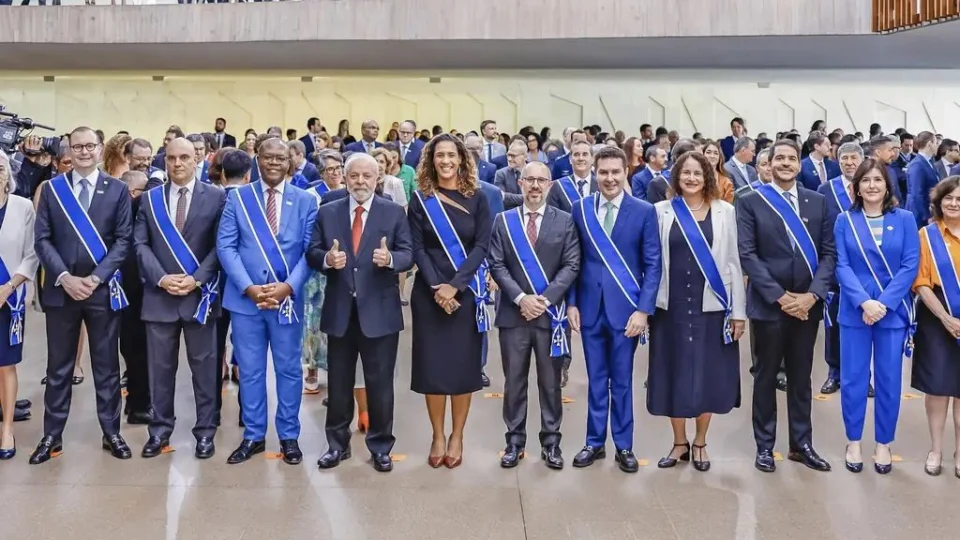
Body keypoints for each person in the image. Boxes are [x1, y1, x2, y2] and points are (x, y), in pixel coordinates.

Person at [30, 126, 133, 464]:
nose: (85, 152)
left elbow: (123, 240)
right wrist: (65, 277)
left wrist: (95, 278)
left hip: (100, 291)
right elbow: (42, 239)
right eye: (78, 147)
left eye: (90, 146)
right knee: (59, 367)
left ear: (101, 149)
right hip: (62, 292)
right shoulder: (52, 190)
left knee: (106, 366)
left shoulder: (117, 189)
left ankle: (111, 432)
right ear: (69, 151)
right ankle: (52, 435)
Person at [737, 138, 836, 474]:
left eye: (791, 158)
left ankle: (801, 444)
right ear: (768, 163)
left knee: (801, 377)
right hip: (769, 306)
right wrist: (781, 297)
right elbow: (747, 254)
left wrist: (812, 295)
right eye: (779, 158)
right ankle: (765, 446)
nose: (785, 163)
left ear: (799, 163)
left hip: (807, 306)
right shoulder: (750, 200)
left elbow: (829, 253)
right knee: (765, 377)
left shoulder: (817, 201)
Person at [216, 138, 318, 465]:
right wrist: (248, 287)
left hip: (287, 301)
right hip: (246, 301)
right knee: (250, 370)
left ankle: (289, 435)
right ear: (256, 159)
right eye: (268, 157)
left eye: (280, 158)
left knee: (288, 370)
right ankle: (253, 435)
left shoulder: (306, 200)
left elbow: (309, 251)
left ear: (290, 162)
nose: (274, 162)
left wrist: (289, 287)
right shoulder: (238, 198)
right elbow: (226, 246)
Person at [310, 153, 414, 472]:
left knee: (380, 385)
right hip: (340, 311)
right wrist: (327, 259)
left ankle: (381, 446)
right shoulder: (328, 212)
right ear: (345, 178)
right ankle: (336, 445)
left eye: (367, 176)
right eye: (354, 176)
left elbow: (408, 253)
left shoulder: (393, 212)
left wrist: (390, 260)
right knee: (339, 384)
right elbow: (312, 251)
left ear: (377, 178)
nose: (360, 182)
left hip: (380, 313)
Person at [648, 151, 745, 473]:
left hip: (712, 307)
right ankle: (679, 442)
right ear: (677, 177)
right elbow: (652, 261)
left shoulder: (725, 212)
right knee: (672, 373)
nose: (691, 178)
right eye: (685, 173)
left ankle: (700, 441)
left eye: (697, 173)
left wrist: (738, 312)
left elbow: (734, 263)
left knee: (708, 376)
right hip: (670, 308)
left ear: (708, 177)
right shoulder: (660, 211)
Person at [567, 146, 662, 473]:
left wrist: (643, 311)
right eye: (603, 172)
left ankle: (624, 445)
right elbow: (574, 261)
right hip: (589, 309)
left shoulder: (643, 211)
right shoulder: (581, 209)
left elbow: (653, 265)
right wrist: (572, 302)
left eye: (615, 172)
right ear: (595, 173)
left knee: (622, 381)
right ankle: (594, 442)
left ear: (626, 173)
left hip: (626, 312)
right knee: (596, 379)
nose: (609, 179)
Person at [134, 138, 226, 460]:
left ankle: (205, 432)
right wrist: (161, 278)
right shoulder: (150, 200)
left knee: (205, 371)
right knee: (159, 371)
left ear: (195, 159)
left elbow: (220, 246)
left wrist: (197, 278)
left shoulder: (216, 197)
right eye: (171, 158)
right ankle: (159, 430)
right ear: (165, 161)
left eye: (184, 157)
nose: (177, 163)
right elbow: (140, 245)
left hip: (199, 298)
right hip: (160, 297)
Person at [407, 134, 493, 469]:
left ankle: (457, 436)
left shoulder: (478, 198)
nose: (445, 161)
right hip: (429, 295)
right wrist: (436, 287)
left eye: (451, 155)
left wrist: (455, 286)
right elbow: (417, 248)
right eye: (439, 155)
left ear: (461, 160)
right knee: (433, 369)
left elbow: (482, 246)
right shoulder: (421, 199)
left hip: (465, 293)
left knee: (461, 369)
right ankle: (437, 435)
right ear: (431, 159)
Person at [488, 161, 579, 470]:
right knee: (514, 382)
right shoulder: (503, 220)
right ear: (521, 184)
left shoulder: (565, 221)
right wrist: (521, 298)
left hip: (550, 317)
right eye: (530, 180)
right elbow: (497, 264)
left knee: (551, 384)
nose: (536, 185)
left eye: (542, 180)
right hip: (513, 315)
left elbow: (571, 264)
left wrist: (545, 299)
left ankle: (551, 442)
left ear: (550, 185)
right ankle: (514, 442)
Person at [833, 159, 919, 475]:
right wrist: (864, 303)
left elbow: (910, 265)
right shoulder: (845, 220)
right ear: (856, 187)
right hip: (855, 312)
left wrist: (883, 303)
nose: (872, 185)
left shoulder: (905, 219)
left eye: (878, 180)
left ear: (887, 185)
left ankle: (884, 442)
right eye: (865, 180)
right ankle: (853, 440)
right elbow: (841, 265)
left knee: (889, 380)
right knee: (853, 379)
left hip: (891, 313)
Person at [911, 176, 960, 478]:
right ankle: (936, 449)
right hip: (936, 315)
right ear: (939, 202)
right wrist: (945, 318)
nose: (954, 203)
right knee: (938, 388)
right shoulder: (927, 235)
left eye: (959, 199)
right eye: (948, 198)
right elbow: (921, 282)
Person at [816, 142, 866, 396]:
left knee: (865, 325)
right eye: (844, 158)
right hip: (836, 268)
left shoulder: (871, 186)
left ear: (862, 160)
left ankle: (863, 376)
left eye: (854, 158)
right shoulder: (826, 189)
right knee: (833, 324)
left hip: (865, 269)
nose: (849, 162)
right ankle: (834, 373)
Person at [0, 152, 40, 460]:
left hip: (9, 297)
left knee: (5, 364)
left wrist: (9, 287)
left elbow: (32, 252)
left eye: (0, 167)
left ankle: (7, 429)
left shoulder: (22, 206)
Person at [116, 170, 153, 426]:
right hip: (132, 292)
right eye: (143, 191)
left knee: (134, 352)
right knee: (138, 350)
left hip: (131, 293)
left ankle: (137, 402)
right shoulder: (131, 216)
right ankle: (139, 405)